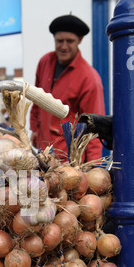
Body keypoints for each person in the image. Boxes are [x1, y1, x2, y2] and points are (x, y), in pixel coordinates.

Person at [30, 14, 105, 162]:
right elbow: (36, 98)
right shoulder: (44, 62)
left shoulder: (89, 78)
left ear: (80, 40)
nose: (64, 46)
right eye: (59, 41)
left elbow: (94, 127)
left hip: (68, 161)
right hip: (42, 151)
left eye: (70, 41)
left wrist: (93, 165)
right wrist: (34, 129)